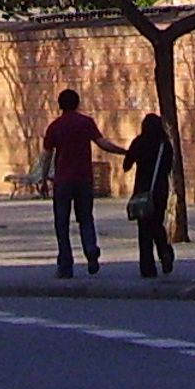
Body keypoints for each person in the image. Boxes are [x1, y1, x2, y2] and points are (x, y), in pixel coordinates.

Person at [39, 89, 123, 277]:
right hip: (84, 178)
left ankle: (65, 265)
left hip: (63, 181)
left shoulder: (55, 126)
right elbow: (102, 143)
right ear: (77, 103)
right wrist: (123, 151)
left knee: (62, 223)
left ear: (60, 105)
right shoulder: (86, 123)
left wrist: (43, 179)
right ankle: (91, 248)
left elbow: (47, 155)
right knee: (86, 218)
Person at [122, 112, 178, 277]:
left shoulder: (139, 142)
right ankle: (164, 250)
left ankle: (147, 267)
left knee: (144, 228)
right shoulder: (165, 145)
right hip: (160, 189)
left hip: (142, 190)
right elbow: (168, 168)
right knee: (157, 223)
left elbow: (126, 165)